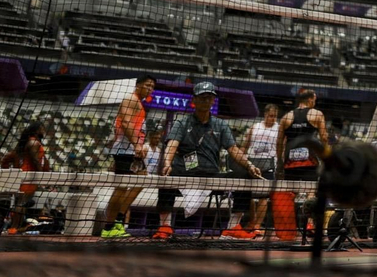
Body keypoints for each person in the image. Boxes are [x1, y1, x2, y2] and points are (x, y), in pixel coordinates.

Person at [154, 81, 263, 240]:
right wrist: (167, 164)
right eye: (202, 97)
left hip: (212, 175)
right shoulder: (182, 122)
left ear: (213, 100)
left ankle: (233, 228)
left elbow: (233, 149)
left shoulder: (221, 125)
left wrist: (250, 165)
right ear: (195, 100)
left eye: (209, 98)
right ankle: (165, 227)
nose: (206, 101)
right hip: (186, 173)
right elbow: (172, 145)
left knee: (244, 175)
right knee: (166, 176)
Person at [100, 74, 153, 238]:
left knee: (142, 179)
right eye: (148, 85)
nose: (150, 89)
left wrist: (140, 145)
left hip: (133, 151)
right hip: (125, 150)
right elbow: (125, 123)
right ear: (138, 85)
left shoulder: (139, 103)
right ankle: (108, 228)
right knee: (121, 187)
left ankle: (118, 219)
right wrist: (137, 144)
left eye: (152, 87)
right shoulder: (130, 99)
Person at [276, 88, 329, 240]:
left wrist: (280, 162)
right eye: (315, 100)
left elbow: (279, 142)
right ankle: (310, 224)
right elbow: (324, 138)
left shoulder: (286, 117)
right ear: (311, 99)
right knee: (311, 191)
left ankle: (288, 229)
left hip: (290, 163)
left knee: (289, 194)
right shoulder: (316, 114)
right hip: (309, 161)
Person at [239, 103, 281, 234]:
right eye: (270, 116)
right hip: (253, 163)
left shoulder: (279, 129)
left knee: (264, 196)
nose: (272, 118)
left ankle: (257, 225)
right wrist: (240, 159)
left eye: (275, 116)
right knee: (250, 195)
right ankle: (252, 222)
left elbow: (281, 148)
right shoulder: (255, 127)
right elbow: (245, 144)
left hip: (270, 164)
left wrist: (280, 165)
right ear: (265, 115)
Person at [3, 122, 49, 233]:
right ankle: (14, 228)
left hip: (26, 176)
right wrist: (41, 175)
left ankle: (15, 227)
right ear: (37, 130)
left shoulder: (28, 142)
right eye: (42, 128)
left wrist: (9, 171)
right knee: (21, 203)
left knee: (21, 202)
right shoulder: (33, 143)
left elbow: (6, 159)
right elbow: (35, 160)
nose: (44, 131)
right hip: (29, 177)